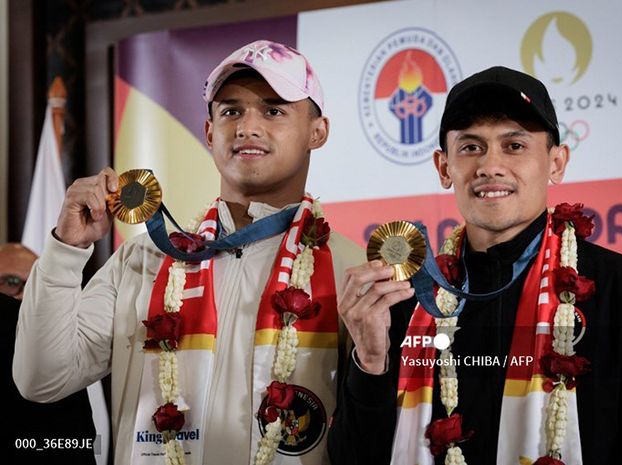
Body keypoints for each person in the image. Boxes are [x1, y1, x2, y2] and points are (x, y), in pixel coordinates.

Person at [14, 40, 364, 465]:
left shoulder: (353, 270)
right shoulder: (142, 260)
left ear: (317, 131)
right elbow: (42, 378)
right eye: (231, 110)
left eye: (274, 110)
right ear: (209, 131)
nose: (247, 127)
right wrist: (67, 249)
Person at [329, 67, 622, 465]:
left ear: (556, 163)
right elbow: (353, 457)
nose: (490, 165)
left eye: (515, 146)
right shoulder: (408, 300)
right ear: (443, 167)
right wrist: (369, 362)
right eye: (471, 147)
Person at [1, 243, 96, 464]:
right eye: (11, 283)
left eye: (37, 284)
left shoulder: (103, 335)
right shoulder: (13, 326)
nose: (28, 295)